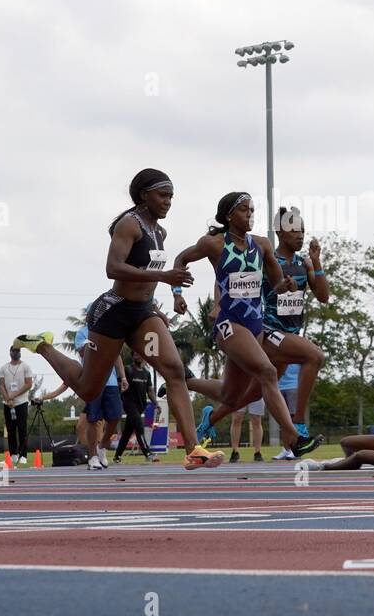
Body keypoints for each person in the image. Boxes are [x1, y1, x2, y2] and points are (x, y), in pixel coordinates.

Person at [15, 169, 223, 470]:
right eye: (163, 195)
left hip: (142, 315)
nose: (168, 202)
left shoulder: (159, 232)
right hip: (113, 312)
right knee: (88, 389)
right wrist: (163, 276)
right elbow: (113, 268)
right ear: (143, 196)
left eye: (171, 197)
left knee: (175, 370)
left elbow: (147, 278)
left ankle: (193, 450)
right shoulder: (129, 225)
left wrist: (157, 307)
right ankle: (44, 347)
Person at [171, 192, 322, 459]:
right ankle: (294, 436)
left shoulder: (262, 245)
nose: (250, 214)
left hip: (255, 326)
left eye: (252, 210)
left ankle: (187, 380)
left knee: (232, 396)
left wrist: (284, 285)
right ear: (229, 215)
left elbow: (275, 282)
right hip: (229, 324)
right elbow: (181, 259)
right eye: (244, 210)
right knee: (267, 372)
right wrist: (177, 293)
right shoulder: (214, 244)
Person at [42, 333, 126, 470]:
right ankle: (92, 456)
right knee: (91, 422)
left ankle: (101, 446)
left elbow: (116, 354)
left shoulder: (111, 329)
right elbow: (82, 354)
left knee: (115, 417)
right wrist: (47, 397)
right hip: (93, 382)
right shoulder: (82, 333)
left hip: (110, 383)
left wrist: (122, 377)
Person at [116, 353, 158, 463]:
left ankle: (117, 456)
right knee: (139, 426)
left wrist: (156, 403)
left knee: (127, 432)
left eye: (140, 355)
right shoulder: (128, 370)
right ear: (132, 357)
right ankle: (147, 453)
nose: (138, 356)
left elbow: (149, 390)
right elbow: (119, 383)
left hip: (140, 406)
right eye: (135, 355)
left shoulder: (146, 373)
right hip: (129, 404)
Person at [0, 346, 34, 465]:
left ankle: (23, 454)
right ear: (10, 352)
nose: (15, 353)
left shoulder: (25, 367)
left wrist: (14, 395)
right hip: (8, 404)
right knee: (10, 429)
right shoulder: (4, 368)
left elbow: (29, 384)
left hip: (22, 402)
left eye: (18, 351)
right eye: (13, 351)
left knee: (22, 429)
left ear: (20, 353)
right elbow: (1, 385)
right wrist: (8, 398)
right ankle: (13, 454)